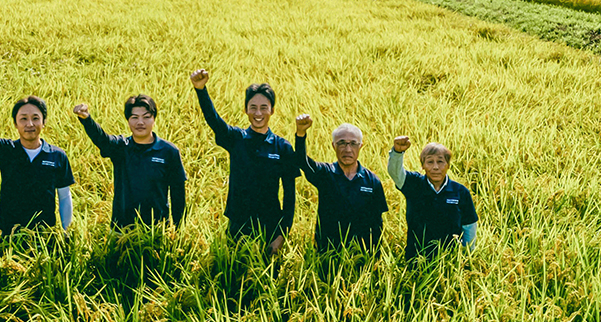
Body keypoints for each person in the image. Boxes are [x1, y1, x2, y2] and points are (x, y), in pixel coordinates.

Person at [190, 69, 299, 255]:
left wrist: (281, 236)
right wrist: (201, 89)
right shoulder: (236, 139)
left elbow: (290, 197)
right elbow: (214, 121)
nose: (258, 113)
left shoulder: (283, 148)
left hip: (269, 227)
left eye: (264, 107)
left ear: (272, 110)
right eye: (253, 107)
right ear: (246, 109)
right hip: (238, 225)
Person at [0, 87, 75, 237]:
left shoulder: (57, 156)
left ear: (44, 122)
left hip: (45, 235)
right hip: (10, 234)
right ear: (15, 124)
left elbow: (64, 196)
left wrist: (66, 232)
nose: (30, 124)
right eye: (23, 119)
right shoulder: (7, 151)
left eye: (35, 118)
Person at [73, 95, 186, 229]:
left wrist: (178, 230)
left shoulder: (168, 151)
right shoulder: (121, 147)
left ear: (154, 119)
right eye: (134, 117)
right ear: (128, 121)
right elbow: (102, 139)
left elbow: (178, 194)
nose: (140, 122)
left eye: (146, 117)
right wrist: (87, 120)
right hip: (121, 229)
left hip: (157, 231)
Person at [295, 114, 388, 252]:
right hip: (327, 255)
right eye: (342, 143)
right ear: (333, 146)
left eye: (353, 143)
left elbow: (377, 222)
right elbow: (302, 161)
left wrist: (375, 257)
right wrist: (301, 133)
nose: (347, 149)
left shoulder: (372, 181)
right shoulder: (325, 174)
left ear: (360, 146)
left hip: (361, 257)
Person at [388, 136, 478, 260]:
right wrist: (397, 153)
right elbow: (395, 173)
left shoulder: (460, 192)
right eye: (430, 162)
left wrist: (466, 257)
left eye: (440, 161)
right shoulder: (414, 185)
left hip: (449, 262)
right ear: (423, 166)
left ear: (448, 165)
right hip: (417, 259)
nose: (435, 167)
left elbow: (469, 226)